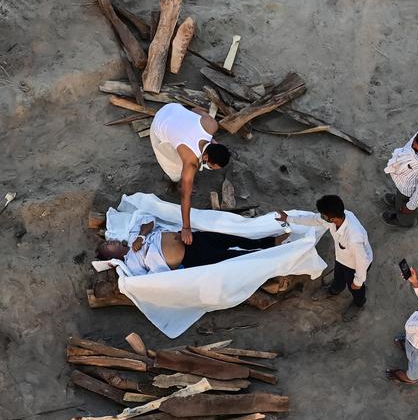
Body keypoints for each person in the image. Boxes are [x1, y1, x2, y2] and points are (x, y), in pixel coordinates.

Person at [275, 195, 373, 317]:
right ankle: (334, 290)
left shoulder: (354, 237)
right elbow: (314, 220)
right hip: (342, 258)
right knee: (338, 276)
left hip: (355, 265)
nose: (320, 217)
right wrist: (288, 218)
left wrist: (358, 281)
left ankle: (359, 302)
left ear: (332, 219)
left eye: (323, 215)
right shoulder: (338, 217)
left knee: (354, 287)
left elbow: (362, 261)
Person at [149, 103, 232, 245]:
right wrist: (186, 227)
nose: (211, 169)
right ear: (205, 158)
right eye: (211, 166)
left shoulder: (211, 125)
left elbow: (196, 110)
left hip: (173, 108)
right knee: (174, 167)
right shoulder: (190, 164)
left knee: (180, 146)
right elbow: (185, 198)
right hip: (159, 124)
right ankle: (175, 183)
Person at [96, 216, 287, 275]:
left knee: (231, 237)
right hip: (189, 258)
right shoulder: (132, 264)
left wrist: (141, 236)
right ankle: (271, 258)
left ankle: (270, 242)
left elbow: (149, 221)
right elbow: (151, 279)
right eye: (107, 246)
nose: (110, 242)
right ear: (113, 257)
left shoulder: (132, 238)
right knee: (231, 256)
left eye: (107, 241)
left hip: (189, 238)